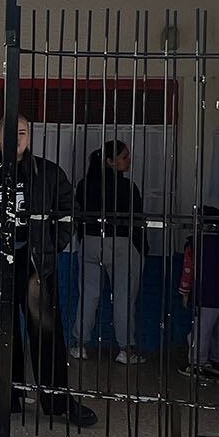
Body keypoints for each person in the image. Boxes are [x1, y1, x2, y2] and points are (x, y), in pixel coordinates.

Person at [0, 116, 98, 426]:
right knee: (2, 329)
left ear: (29, 136)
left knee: (45, 331)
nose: (15, 138)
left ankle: (57, 402)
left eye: (21, 132)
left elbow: (68, 212)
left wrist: (51, 246)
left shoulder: (47, 173)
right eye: (8, 133)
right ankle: (6, 396)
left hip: (34, 264)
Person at [74, 140, 148, 365]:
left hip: (90, 242)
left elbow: (77, 215)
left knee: (88, 295)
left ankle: (79, 345)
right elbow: (137, 221)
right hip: (121, 243)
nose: (128, 160)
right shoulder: (127, 187)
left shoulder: (84, 184)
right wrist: (141, 248)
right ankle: (126, 349)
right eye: (124, 157)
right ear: (110, 162)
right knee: (124, 298)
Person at [179, 205, 219, 380]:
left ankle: (197, 363)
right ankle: (218, 361)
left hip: (205, 295)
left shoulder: (195, 243)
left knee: (201, 331)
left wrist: (184, 292)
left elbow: (188, 270)